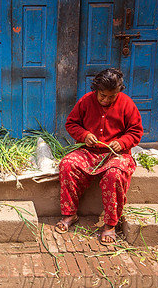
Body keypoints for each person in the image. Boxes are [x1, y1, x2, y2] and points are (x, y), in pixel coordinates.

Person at [55, 68, 143, 245]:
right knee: (67, 164)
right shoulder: (86, 101)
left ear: (118, 92)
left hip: (116, 155)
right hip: (89, 152)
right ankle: (70, 214)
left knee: (114, 174)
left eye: (111, 96)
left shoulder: (127, 104)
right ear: (96, 90)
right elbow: (71, 124)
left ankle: (110, 225)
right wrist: (84, 135)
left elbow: (136, 131)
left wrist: (123, 142)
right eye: (102, 95)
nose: (106, 100)